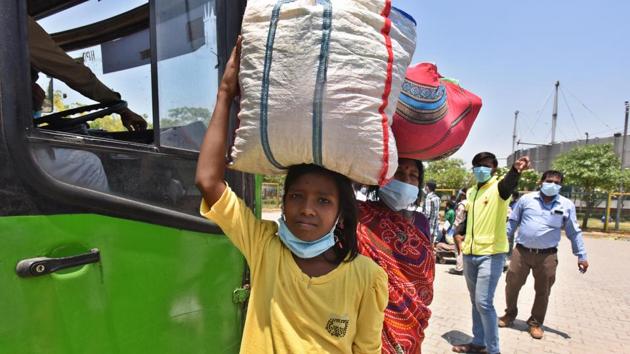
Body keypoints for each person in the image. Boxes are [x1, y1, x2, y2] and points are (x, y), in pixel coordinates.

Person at [195, 38, 388, 353]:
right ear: (283, 203)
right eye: (297, 196)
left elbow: (366, 349)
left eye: (323, 201)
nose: (307, 209)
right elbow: (207, 180)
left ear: (341, 212)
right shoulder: (264, 246)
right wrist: (225, 95)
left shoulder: (367, 277)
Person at [452, 152, 530, 354]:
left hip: (491, 254)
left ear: (494, 168)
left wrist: (515, 170)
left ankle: (493, 350)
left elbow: (509, 184)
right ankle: (478, 342)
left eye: (486, 165)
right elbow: (470, 218)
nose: (481, 168)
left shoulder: (499, 188)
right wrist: (459, 235)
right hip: (470, 253)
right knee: (474, 301)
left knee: (484, 303)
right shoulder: (471, 192)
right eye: (477, 165)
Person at [498, 170, 589, 340]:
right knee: (512, 284)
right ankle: (509, 314)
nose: (552, 184)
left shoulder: (566, 204)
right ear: (541, 182)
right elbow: (512, 223)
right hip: (521, 252)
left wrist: (581, 255)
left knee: (543, 291)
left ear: (561, 185)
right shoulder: (526, 199)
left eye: (557, 182)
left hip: (547, 256)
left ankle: (535, 323)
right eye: (549, 181)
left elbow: (574, 232)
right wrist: (500, 245)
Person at [356, 158, 435, 353]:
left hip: (411, 315)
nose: (406, 181)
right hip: (368, 314)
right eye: (398, 173)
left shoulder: (421, 222)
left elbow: (425, 273)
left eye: (413, 176)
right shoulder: (359, 213)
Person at [28, 16, 146, 131]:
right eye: (32, 72)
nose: (36, 76)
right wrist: (122, 108)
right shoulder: (18, 21)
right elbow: (73, 72)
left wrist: (36, 107)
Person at [449, 188, 467, 275]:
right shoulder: (471, 203)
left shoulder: (462, 205)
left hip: (460, 229)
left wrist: (454, 229)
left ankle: (459, 268)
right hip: (468, 229)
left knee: (459, 249)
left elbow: (459, 219)